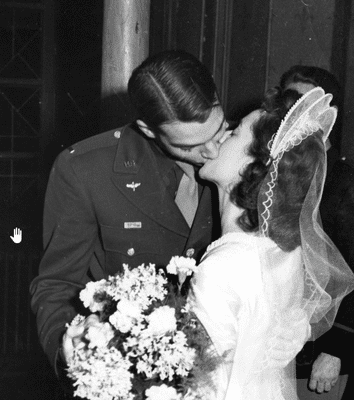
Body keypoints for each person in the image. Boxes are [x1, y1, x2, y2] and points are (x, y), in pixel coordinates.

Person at [30, 50, 227, 381]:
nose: (213, 152)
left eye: (218, 130)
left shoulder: (245, 151)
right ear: (148, 130)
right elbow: (56, 285)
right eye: (189, 147)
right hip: (136, 377)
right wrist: (72, 353)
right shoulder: (86, 170)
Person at [189, 87, 354, 399]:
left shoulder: (222, 267)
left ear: (253, 165)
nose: (220, 138)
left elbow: (205, 388)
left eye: (235, 132)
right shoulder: (283, 252)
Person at [280, 65, 354, 399]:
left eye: (301, 101)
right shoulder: (281, 171)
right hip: (282, 342)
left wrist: (337, 348)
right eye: (287, 100)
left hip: (323, 356)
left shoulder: (346, 181)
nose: (291, 110)